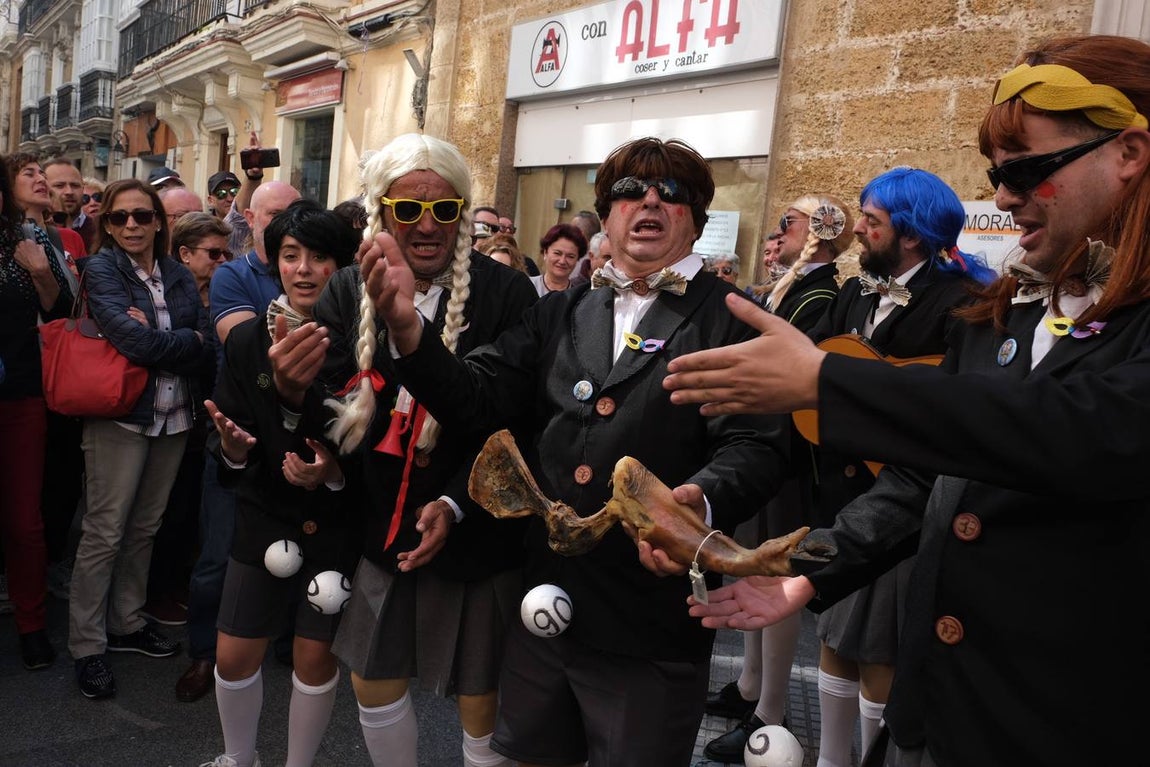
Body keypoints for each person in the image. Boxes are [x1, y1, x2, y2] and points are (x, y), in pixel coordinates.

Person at [670, 33, 1150, 767]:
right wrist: (806, 574)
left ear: (1130, 152)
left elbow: (1083, 429)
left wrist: (829, 384)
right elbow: (933, 476)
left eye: (1027, 169)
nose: (1003, 195)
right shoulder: (1010, 311)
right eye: (998, 172)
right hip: (940, 717)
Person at [354, 136, 786, 766]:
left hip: (649, 619)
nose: (651, 202)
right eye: (630, 191)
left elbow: (756, 447)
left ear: (696, 219)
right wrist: (408, 330)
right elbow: (477, 399)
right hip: (547, 609)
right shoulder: (562, 310)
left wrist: (702, 500)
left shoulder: (731, 319)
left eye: (673, 194)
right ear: (606, 215)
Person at [317, 132, 537, 767]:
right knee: (373, 678)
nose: (427, 225)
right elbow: (330, 410)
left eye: (445, 210)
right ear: (382, 213)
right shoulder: (344, 291)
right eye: (408, 209)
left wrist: (454, 501)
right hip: (381, 518)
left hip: (472, 517)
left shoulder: (507, 293)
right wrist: (288, 395)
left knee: (480, 692)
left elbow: (506, 418)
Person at [199, 200, 361, 767]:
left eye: (320, 256)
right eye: (291, 256)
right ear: (276, 265)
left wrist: (335, 473)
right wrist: (235, 450)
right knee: (234, 653)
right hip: (263, 513)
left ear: (343, 267)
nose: (304, 269)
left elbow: (380, 448)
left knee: (315, 659)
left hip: (336, 525)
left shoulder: (367, 346)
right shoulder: (246, 343)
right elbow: (229, 429)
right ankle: (237, 758)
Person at [702, 194, 853, 763]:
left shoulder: (819, 293)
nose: (776, 233)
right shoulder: (799, 288)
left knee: (773, 573)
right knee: (751, 562)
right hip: (768, 447)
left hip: (791, 455)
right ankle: (749, 687)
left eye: (787, 223)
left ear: (818, 230)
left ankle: (769, 708)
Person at [69, 178, 210, 700]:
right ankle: (87, 644)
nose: (132, 225)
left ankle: (126, 622)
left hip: (173, 416)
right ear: (106, 224)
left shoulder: (175, 271)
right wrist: (169, 337)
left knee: (144, 527)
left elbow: (202, 340)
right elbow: (130, 339)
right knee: (104, 531)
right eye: (120, 217)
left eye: (142, 216)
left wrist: (156, 333)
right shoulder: (101, 268)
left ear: (158, 221)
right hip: (122, 415)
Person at [177, 178, 301, 703]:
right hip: (239, 429)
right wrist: (315, 325)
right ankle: (205, 654)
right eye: (272, 214)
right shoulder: (232, 275)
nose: (282, 223)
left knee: (300, 542)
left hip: (299, 430)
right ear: (248, 219)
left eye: (293, 213)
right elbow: (244, 344)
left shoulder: (318, 273)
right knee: (219, 555)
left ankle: (290, 645)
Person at [0, 153, 73, 671]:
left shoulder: (27, 240)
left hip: (23, 396)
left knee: (25, 522)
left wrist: (43, 270)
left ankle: (31, 622)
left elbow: (61, 311)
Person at [529, 222, 585, 296]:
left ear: (577, 259)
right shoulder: (527, 285)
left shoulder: (579, 297)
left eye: (570, 256)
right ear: (545, 252)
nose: (562, 261)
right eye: (557, 253)